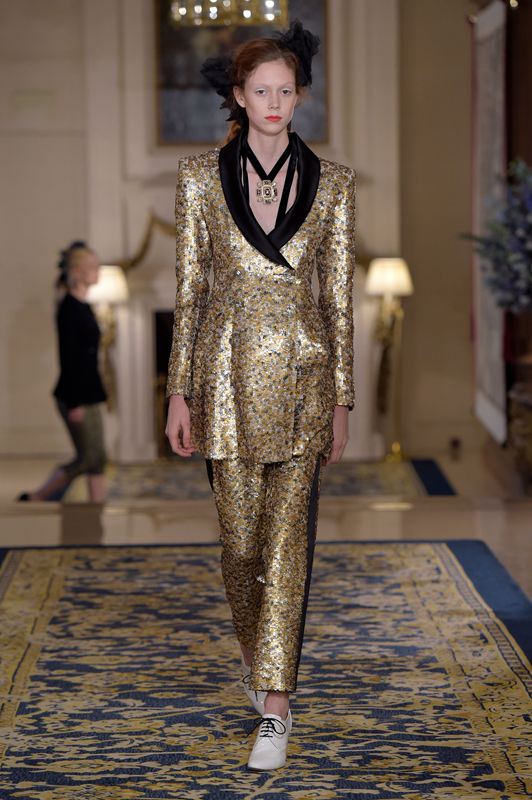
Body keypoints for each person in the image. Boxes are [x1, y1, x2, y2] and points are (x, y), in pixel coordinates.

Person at [165, 19, 356, 770]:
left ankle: (276, 706)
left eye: (286, 91)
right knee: (240, 548)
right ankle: (258, 658)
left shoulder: (334, 185)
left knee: (287, 549)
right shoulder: (196, 180)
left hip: (305, 382)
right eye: (261, 91)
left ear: (299, 97)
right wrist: (178, 393)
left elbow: (337, 300)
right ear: (239, 98)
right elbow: (190, 294)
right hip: (224, 381)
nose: (274, 103)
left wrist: (342, 398)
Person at [18, 241, 108, 503]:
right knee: (89, 459)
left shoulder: (84, 306)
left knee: (96, 459)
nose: (98, 271)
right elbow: (69, 359)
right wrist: (74, 402)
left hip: (90, 392)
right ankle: (39, 496)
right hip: (76, 395)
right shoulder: (69, 308)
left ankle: (97, 508)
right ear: (78, 271)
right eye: (93, 266)